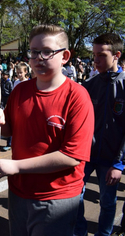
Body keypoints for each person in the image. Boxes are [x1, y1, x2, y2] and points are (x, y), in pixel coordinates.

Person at [0, 24, 94, 236]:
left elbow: (72, 156)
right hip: (18, 193)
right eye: (34, 52)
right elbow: (9, 130)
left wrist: (17, 166)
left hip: (56, 198)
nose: (38, 58)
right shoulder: (21, 90)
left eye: (46, 52)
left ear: (65, 56)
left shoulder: (78, 97)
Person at [74, 33, 125, 236]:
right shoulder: (89, 85)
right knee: (74, 197)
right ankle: (80, 232)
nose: (95, 60)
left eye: (102, 55)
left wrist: (118, 164)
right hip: (86, 155)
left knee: (107, 202)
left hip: (111, 160)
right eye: (94, 55)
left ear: (116, 55)